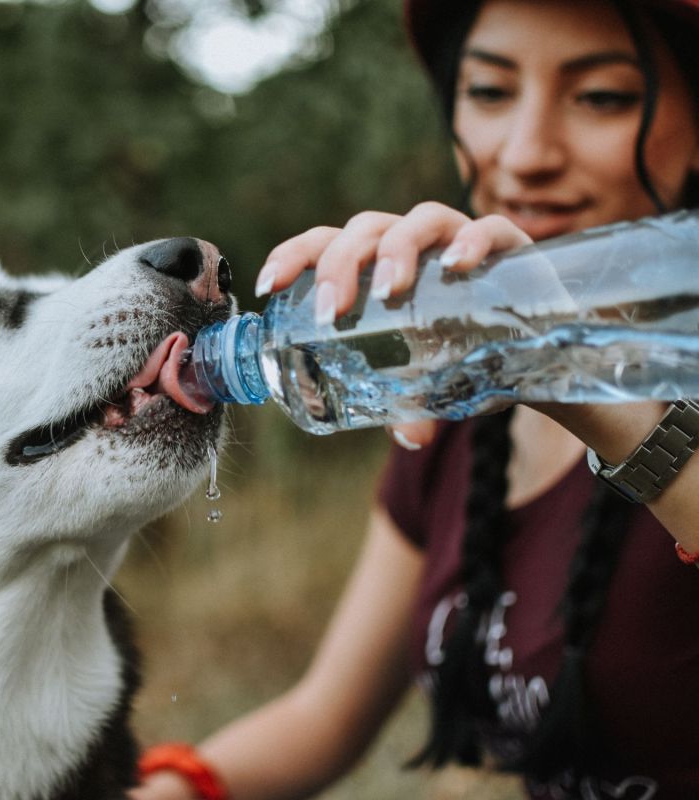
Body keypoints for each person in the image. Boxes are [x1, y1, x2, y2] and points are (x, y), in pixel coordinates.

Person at [130, 0, 699, 798]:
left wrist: (596, 391)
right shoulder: (455, 414)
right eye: (491, 93)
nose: (527, 152)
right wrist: (171, 787)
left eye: (603, 97)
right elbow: (322, 719)